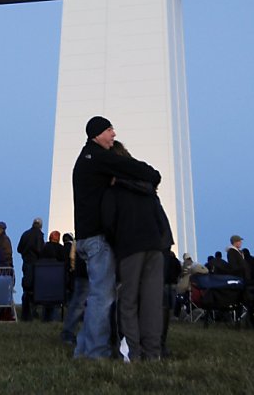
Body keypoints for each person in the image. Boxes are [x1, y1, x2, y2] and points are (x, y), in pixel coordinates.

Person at [72, 116, 161, 360]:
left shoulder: (86, 158)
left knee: (95, 297)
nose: (114, 134)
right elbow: (130, 167)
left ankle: (82, 351)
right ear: (97, 134)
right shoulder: (98, 157)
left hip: (84, 238)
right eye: (109, 129)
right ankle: (97, 353)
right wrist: (153, 175)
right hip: (96, 240)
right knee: (103, 297)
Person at [99, 141, 173, 362]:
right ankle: (153, 353)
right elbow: (161, 218)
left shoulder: (114, 190)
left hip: (130, 248)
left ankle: (133, 352)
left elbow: (108, 223)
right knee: (152, 303)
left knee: (128, 301)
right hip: (155, 248)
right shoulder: (147, 188)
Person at [16, 217, 45, 321]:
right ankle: (32, 312)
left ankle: (25, 313)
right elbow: (40, 250)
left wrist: (25, 253)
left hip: (26, 264)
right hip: (36, 265)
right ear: (40, 226)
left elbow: (19, 249)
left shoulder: (25, 234)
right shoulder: (39, 235)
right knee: (34, 289)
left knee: (26, 288)